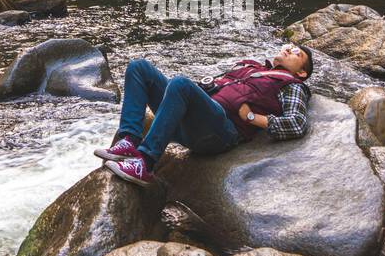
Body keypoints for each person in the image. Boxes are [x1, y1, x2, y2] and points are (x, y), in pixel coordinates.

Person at [95, 44, 314, 185]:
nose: (288, 49)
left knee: (180, 83)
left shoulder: (291, 85)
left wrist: (251, 118)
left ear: (302, 72)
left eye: (297, 53)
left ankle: (145, 163)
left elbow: (297, 123)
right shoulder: (253, 67)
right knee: (139, 67)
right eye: (288, 46)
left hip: (223, 131)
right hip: (196, 118)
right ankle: (129, 141)